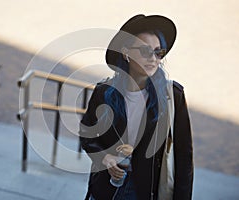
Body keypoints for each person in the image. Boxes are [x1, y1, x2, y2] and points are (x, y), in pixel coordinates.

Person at [79, 14, 193, 200]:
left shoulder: (172, 95)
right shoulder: (104, 92)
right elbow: (86, 133)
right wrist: (104, 158)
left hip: (145, 190)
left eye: (158, 52)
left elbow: (184, 156)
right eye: (145, 51)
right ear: (126, 53)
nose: (153, 59)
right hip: (106, 187)